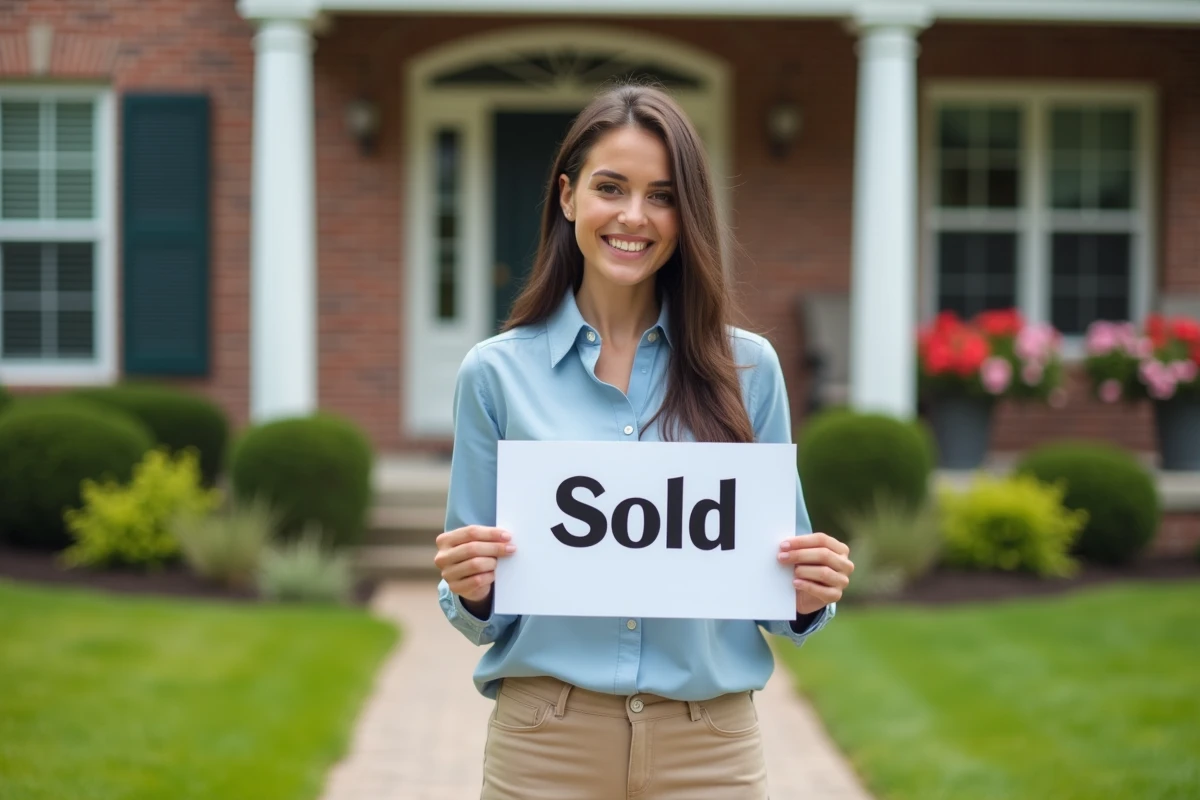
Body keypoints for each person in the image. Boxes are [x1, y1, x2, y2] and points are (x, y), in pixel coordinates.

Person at [434, 82, 854, 800]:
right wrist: (471, 589)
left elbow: (776, 589)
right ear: (567, 198)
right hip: (546, 743)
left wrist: (809, 591)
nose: (634, 216)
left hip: (709, 748)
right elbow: (479, 604)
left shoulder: (748, 370)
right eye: (611, 187)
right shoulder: (495, 375)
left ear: (687, 216)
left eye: (662, 196)